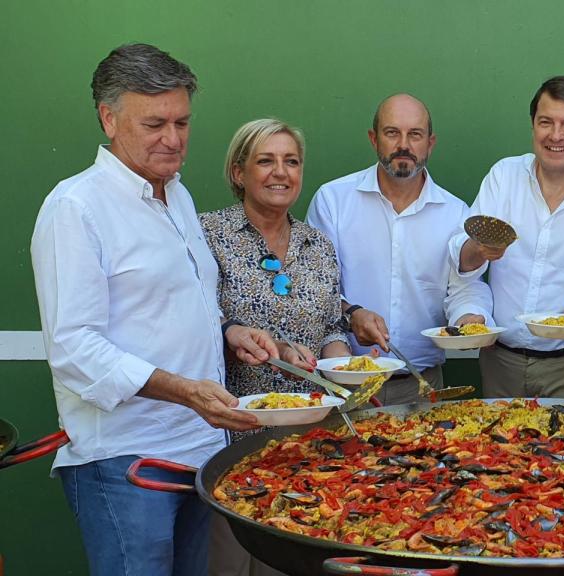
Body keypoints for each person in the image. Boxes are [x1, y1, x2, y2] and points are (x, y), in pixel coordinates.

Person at [30, 44, 292, 576]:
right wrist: (185, 391)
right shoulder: (75, 207)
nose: (173, 139)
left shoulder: (178, 195)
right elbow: (74, 347)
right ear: (109, 119)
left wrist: (229, 332)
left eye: (182, 122)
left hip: (199, 450)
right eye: (154, 124)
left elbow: (173, 305)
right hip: (126, 460)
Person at [201, 119, 352, 576]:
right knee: (228, 563)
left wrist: (344, 366)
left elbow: (331, 326)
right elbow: (190, 319)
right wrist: (236, 333)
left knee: (290, 559)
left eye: (291, 161)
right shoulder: (206, 235)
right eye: (266, 161)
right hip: (230, 434)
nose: (281, 172)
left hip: (307, 442)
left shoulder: (318, 245)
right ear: (238, 172)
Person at [450, 76, 564, 399]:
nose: (555, 135)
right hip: (500, 360)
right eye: (546, 122)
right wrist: (478, 249)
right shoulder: (504, 176)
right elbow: (463, 264)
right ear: (533, 125)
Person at [307, 93, 492, 405]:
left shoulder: (455, 212)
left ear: (430, 143)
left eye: (415, 135)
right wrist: (352, 314)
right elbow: (315, 288)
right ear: (374, 139)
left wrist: (468, 318)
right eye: (392, 133)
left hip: (422, 384)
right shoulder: (333, 201)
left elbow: (465, 288)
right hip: (346, 383)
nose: (403, 145)